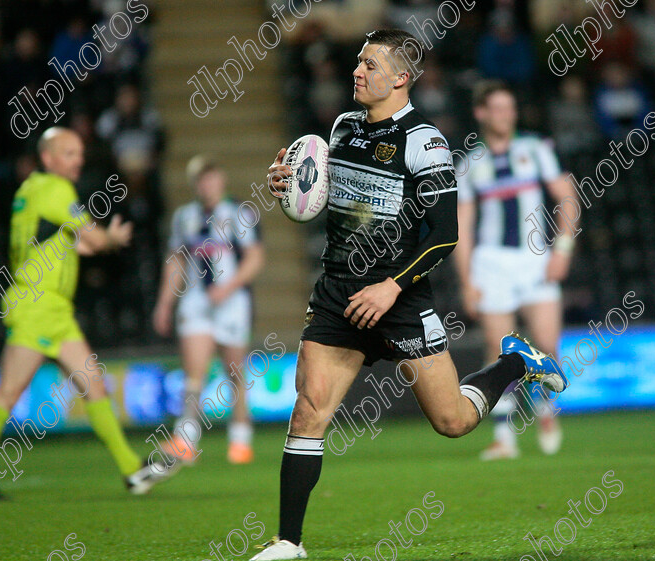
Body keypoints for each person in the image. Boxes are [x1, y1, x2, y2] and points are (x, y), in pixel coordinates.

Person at [252, 29, 568, 560]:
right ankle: (289, 541)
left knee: (453, 422)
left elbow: (445, 233)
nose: (357, 72)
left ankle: (515, 362)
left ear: (400, 78)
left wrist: (391, 286)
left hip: (397, 300)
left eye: (370, 65)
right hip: (338, 291)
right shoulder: (343, 127)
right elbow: (327, 199)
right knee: (308, 410)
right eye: (358, 62)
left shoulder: (425, 142)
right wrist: (293, 186)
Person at [0, 127, 176, 502]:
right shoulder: (56, 189)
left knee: (93, 383)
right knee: (8, 391)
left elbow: (65, 243)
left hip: (51, 308)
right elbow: (93, 239)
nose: (78, 160)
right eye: (69, 153)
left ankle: (132, 470)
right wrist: (111, 238)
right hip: (37, 306)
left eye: (80, 153)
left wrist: (92, 240)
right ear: (48, 158)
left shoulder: (30, 191)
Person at [455, 81, 577, 460]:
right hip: (491, 262)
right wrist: (467, 281)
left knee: (546, 344)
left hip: (535, 257)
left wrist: (563, 250)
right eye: (498, 108)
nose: (506, 114)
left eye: (511, 107)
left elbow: (568, 200)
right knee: (497, 349)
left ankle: (543, 409)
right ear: (481, 113)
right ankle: (504, 438)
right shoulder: (470, 163)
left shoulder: (535, 150)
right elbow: (462, 227)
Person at [152, 155, 264, 463]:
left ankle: (241, 439)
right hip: (196, 301)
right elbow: (176, 261)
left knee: (234, 372)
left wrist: (227, 288)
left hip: (232, 303)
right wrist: (164, 303)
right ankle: (186, 439)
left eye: (211, 178)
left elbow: (254, 258)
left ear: (221, 180)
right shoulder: (184, 216)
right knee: (193, 375)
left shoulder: (239, 213)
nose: (207, 185)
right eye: (202, 180)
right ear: (195, 185)